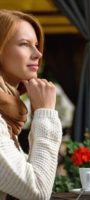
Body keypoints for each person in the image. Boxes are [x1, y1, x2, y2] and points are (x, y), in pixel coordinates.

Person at [0, 9, 62, 200]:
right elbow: (37, 191)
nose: (38, 53)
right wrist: (45, 114)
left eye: (36, 45)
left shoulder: (8, 115)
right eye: (24, 44)